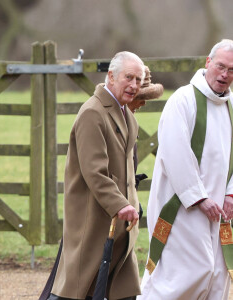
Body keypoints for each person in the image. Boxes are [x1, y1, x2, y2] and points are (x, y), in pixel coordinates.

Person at [138, 39, 233, 300]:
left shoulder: (232, 106)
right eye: (221, 66)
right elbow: (174, 152)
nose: (225, 75)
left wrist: (230, 195)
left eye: (232, 70)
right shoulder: (183, 100)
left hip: (220, 212)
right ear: (208, 63)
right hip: (183, 206)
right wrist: (200, 198)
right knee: (180, 277)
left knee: (216, 274)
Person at [48, 51, 145, 300]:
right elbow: (94, 172)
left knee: (123, 291)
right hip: (93, 220)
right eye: (129, 78)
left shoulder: (127, 115)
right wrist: (120, 204)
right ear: (111, 76)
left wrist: (131, 202)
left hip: (121, 224)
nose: (134, 85)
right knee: (80, 289)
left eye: (139, 80)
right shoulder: (93, 113)